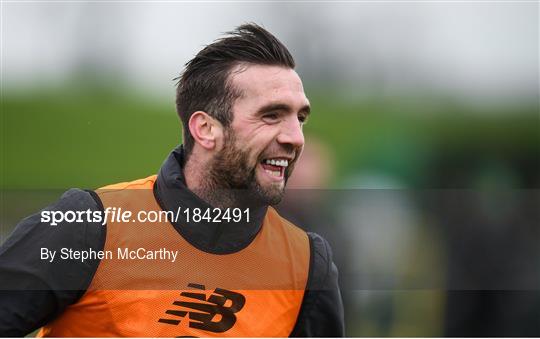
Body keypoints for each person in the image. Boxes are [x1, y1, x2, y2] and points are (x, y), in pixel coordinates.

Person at [0, 23, 344, 337]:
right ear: (206, 129)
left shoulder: (307, 263)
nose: (296, 137)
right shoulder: (91, 224)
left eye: (300, 118)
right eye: (271, 115)